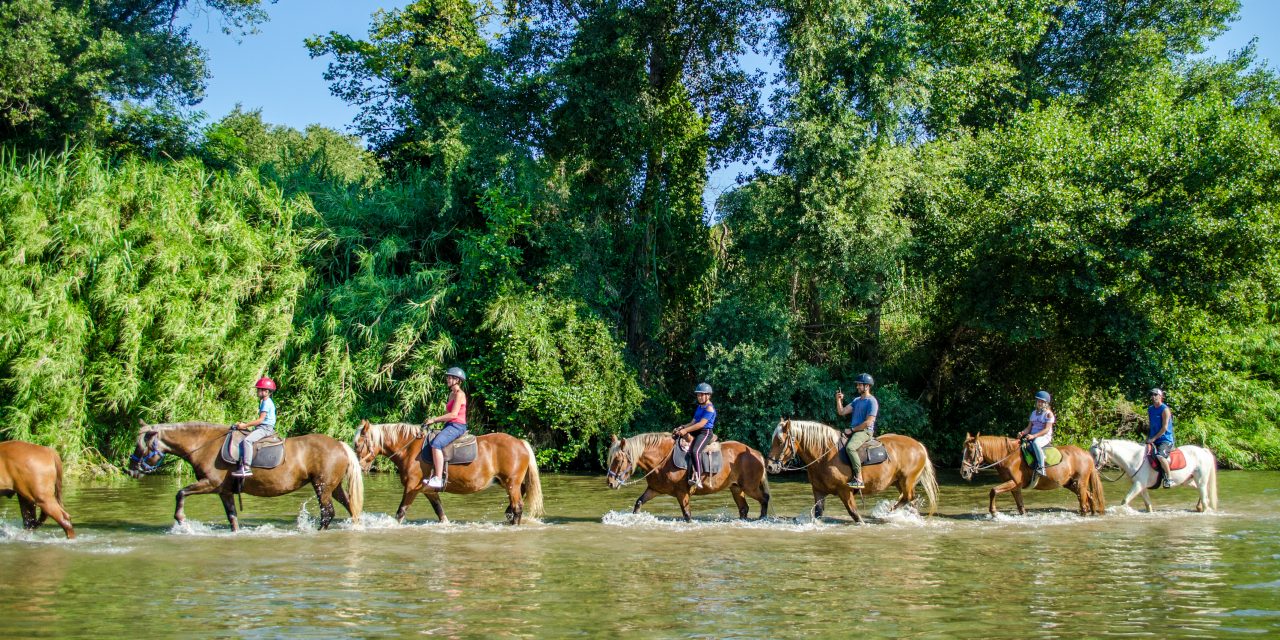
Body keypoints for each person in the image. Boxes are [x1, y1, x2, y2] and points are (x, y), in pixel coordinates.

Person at [422, 367, 469, 490]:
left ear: (457, 380)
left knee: (436, 444)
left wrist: (434, 419)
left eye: (450, 377)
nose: (448, 379)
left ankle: (438, 478)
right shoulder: (451, 394)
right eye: (448, 377)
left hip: (457, 426)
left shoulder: (460, 394)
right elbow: (448, 415)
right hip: (450, 425)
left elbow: (453, 415)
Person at [835, 373, 878, 490]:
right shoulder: (856, 400)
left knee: (850, 448)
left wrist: (852, 429)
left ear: (867, 386)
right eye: (858, 385)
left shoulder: (872, 401)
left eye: (860, 385)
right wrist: (838, 400)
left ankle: (859, 478)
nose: (857, 387)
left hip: (865, 431)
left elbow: (868, 422)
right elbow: (842, 412)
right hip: (855, 431)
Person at [673, 383, 717, 489]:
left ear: (708, 395)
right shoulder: (699, 407)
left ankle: (698, 478)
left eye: (702, 395)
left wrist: (686, 431)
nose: (699, 397)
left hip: (705, 432)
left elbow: (701, 424)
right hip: (696, 430)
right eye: (698, 395)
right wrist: (682, 427)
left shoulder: (709, 409)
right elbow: (693, 422)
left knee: (695, 451)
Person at [232, 377, 278, 477]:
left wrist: (245, 425)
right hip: (262, 427)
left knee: (247, 441)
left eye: (259, 390)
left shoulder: (266, 403)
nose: (257, 392)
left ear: (266, 391)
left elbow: (260, 420)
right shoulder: (265, 401)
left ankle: (246, 467)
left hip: (265, 428)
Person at [1017, 390, 1055, 479]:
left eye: (1042, 401)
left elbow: (1046, 430)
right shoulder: (1033, 413)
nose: (1039, 403)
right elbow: (1029, 428)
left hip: (1044, 437)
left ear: (1046, 403)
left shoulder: (1048, 414)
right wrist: (1022, 433)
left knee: (1035, 443)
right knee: (1019, 445)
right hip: (1032, 435)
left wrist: (1033, 436)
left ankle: (1042, 468)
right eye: (1038, 401)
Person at [1147, 388, 1175, 488]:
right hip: (1153, 438)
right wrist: (1148, 438)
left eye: (1155, 395)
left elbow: (1164, 428)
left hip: (1165, 439)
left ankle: (1169, 478)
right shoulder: (1150, 409)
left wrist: (1153, 439)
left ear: (1160, 396)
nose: (1153, 397)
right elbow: (1151, 425)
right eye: (1152, 395)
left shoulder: (1165, 409)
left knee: (1160, 456)